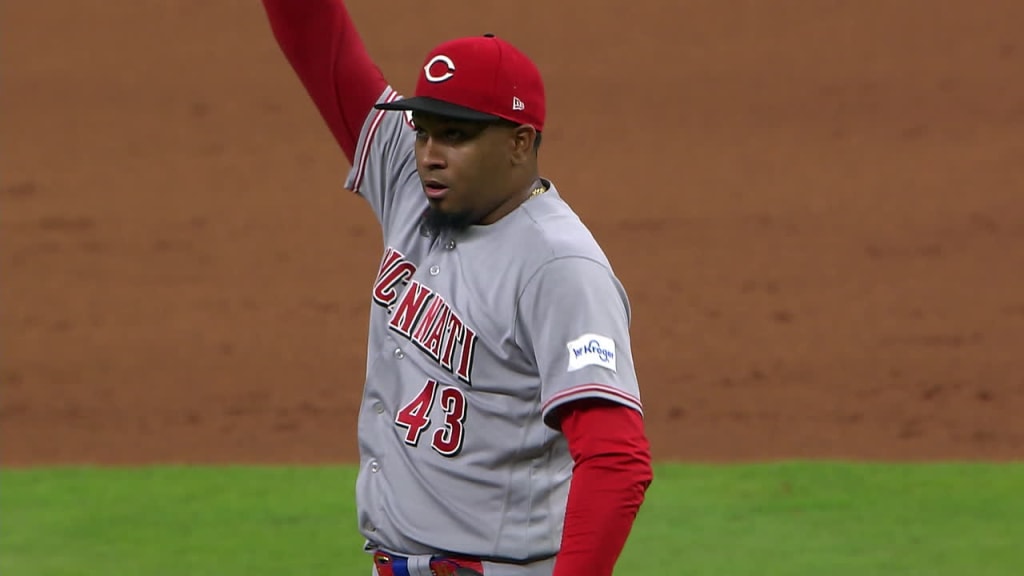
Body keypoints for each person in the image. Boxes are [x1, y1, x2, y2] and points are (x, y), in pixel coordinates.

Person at [260, 2, 653, 575]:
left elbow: (616, 459)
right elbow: (319, 43)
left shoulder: (560, 267)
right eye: (422, 132)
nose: (429, 155)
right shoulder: (413, 184)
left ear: (519, 143)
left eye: (457, 136)